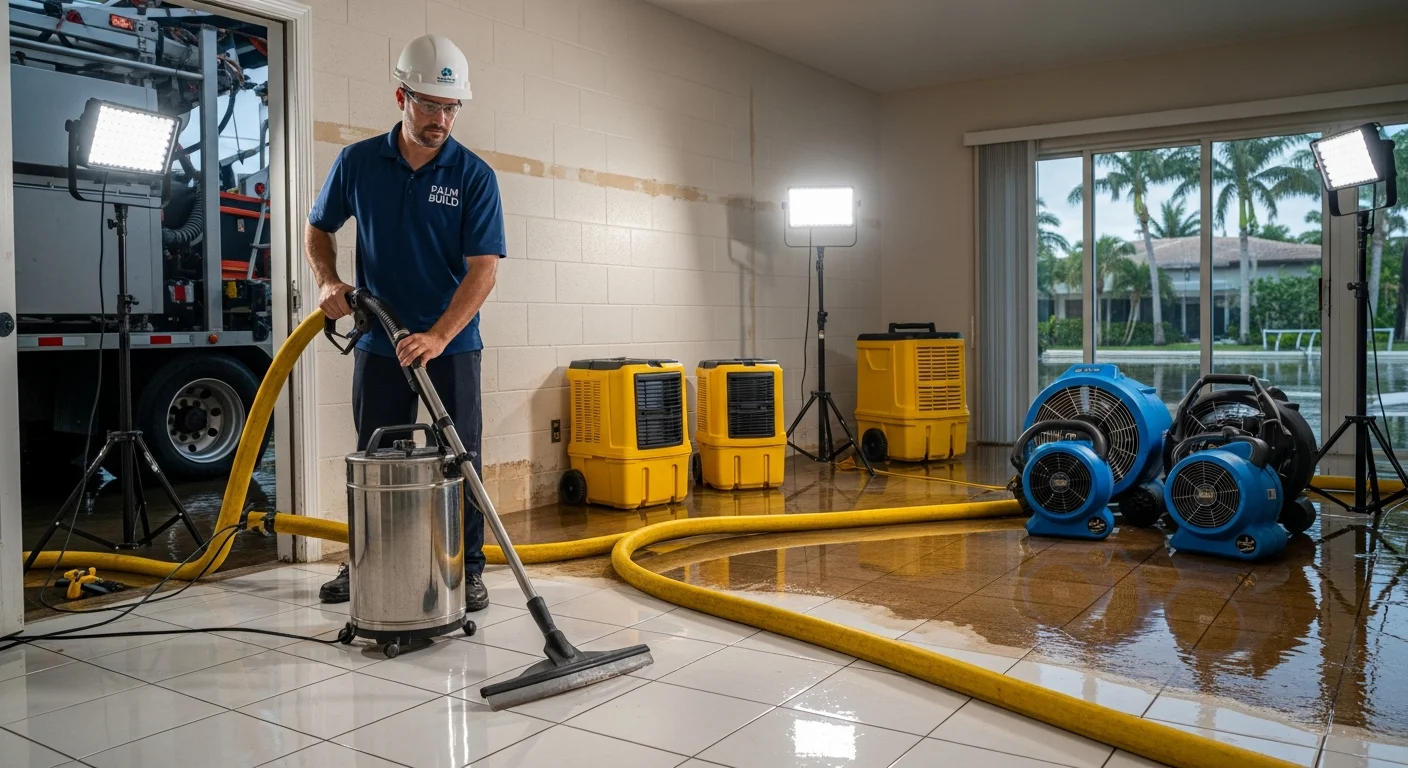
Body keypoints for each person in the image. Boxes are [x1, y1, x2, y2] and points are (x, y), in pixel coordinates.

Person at [304, 34, 503, 612]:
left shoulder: (473, 175)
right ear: (401, 96)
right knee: (375, 455)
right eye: (431, 105)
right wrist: (328, 280)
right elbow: (319, 228)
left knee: (459, 455)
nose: (442, 118)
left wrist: (440, 335)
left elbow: (484, 270)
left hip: (452, 343)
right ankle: (368, 561)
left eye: (451, 108)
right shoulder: (359, 162)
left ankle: (468, 566)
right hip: (380, 337)